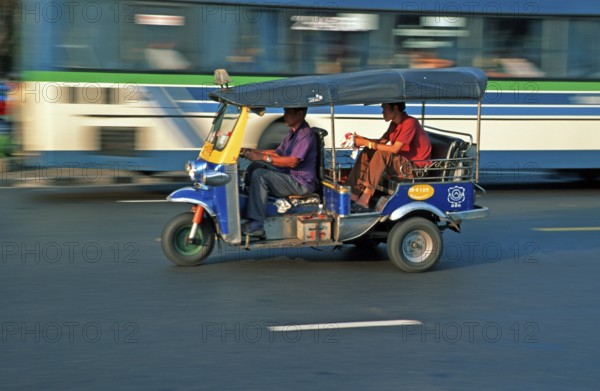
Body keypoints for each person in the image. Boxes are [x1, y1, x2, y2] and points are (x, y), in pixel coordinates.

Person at [240, 107, 319, 236]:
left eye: (288, 112)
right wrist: (251, 151)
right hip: (289, 176)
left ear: (299, 114)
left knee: (260, 176)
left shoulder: (306, 134)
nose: (285, 115)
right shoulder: (292, 133)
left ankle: (256, 224)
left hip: (300, 183)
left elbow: (293, 161)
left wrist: (263, 157)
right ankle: (249, 207)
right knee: (255, 166)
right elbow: (276, 153)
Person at [345, 102, 432, 210]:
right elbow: (380, 142)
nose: (382, 112)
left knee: (382, 154)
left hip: (414, 168)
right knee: (369, 150)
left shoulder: (410, 122)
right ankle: (354, 192)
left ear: (395, 108)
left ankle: (365, 199)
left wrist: (366, 142)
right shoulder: (394, 124)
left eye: (384, 108)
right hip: (401, 163)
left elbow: (395, 148)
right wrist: (362, 140)